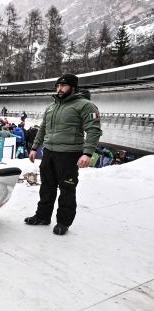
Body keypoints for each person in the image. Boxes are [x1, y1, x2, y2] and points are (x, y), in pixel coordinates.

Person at [24, 73, 102, 236]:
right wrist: (34, 147)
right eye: (58, 85)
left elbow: (93, 130)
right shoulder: (51, 107)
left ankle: (63, 222)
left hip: (69, 154)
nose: (59, 89)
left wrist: (87, 153)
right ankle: (42, 216)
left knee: (67, 189)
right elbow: (43, 128)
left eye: (63, 85)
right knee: (46, 187)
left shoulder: (85, 105)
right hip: (49, 153)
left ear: (73, 88)